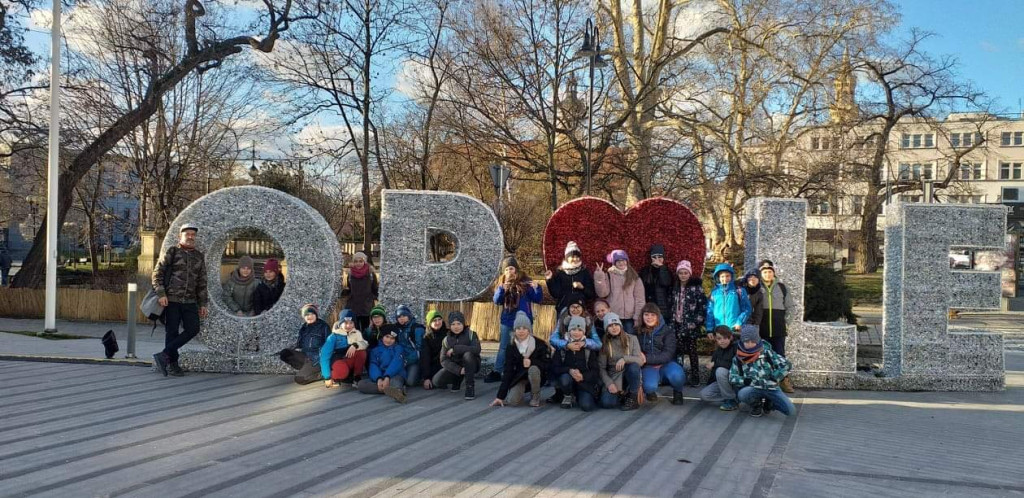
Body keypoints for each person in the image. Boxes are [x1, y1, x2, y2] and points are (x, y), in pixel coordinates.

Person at [152, 224, 208, 377]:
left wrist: (203, 303)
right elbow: (157, 273)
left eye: (193, 234)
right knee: (172, 332)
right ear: (180, 236)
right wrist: (161, 294)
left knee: (193, 329)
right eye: (187, 234)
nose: (190, 237)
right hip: (172, 300)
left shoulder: (198, 256)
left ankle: (164, 355)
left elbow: (202, 282)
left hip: (190, 301)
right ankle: (173, 364)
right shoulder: (172, 252)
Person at [486, 256, 543, 383]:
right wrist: (502, 289)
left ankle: (525, 372)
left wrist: (537, 288)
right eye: (506, 269)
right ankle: (497, 371)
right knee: (504, 347)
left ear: (516, 269)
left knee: (526, 347)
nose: (509, 271)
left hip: (524, 321)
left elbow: (538, 299)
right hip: (508, 320)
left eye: (511, 268)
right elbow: (497, 301)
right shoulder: (502, 284)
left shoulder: (526, 283)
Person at [546, 296, 601, 405]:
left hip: (584, 354)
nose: (575, 309)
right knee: (559, 369)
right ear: (568, 308)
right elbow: (553, 339)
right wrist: (567, 344)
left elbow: (598, 344)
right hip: (566, 353)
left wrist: (585, 343)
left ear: (583, 308)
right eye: (572, 307)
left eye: (578, 307)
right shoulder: (563, 318)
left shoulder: (588, 320)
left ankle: (580, 391)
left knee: (587, 405)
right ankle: (562, 392)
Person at [730, 325, 794, 417]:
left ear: (757, 340)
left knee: (791, 411)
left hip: (771, 387)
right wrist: (745, 381)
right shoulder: (738, 358)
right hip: (753, 387)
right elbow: (732, 377)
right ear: (742, 341)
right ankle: (756, 405)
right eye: (746, 341)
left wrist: (775, 377)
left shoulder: (767, 352)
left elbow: (787, 365)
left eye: (753, 341)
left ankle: (770, 403)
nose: (750, 344)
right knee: (742, 394)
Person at [490, 311, 550, 408]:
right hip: (519, 377)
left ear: (529, 330)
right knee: (512, 402)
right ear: (514, 330)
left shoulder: (540, 344)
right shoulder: (511, 346)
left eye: (524, 328)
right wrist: (500, 396)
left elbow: (547, 364)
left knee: (533, 369)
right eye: (518, 328)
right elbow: (508, 370)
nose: (521, 331)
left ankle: (535, 396)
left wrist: (532, 362)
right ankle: (520, 391)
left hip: (537, 376)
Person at [636, 303, 686, 405]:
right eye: (646, 315)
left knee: (678, 376)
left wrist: (646, 358)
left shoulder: (667, 331)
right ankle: (650, 392)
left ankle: (678, 391)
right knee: (649, 386)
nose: (649, 318)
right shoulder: (638, 331)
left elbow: (668, 354)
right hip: (648, 366)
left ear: (658, 316)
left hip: (666, 364)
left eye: (652, 315)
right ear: (642, 316)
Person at [758, 259, 796, 393]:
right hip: (761, 329)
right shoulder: (757, 287)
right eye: (764, 272)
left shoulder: (782, 287)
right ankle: (765, 382)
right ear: (760, 273)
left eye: (770, 272)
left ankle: (784, 381)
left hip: (778, 328)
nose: (767, 274)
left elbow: (790, 307)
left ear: (773, 273)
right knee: (762, 356)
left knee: (780, 356)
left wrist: (787, 322)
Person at [668, 260, 707, 387]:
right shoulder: (674, 287)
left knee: (692, 351)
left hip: (691, 325)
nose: (683, 275)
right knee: (678, 350)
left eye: (685, 273)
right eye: (681, 273)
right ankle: (679, 375)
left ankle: (695, 375)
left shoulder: (696, 288)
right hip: (676, 324)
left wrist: (697, 322)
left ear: (689, 274)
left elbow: (702, 306)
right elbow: (671, 304)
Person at [597, 312, 644, 411]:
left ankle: (633, 396)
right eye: (610, 326)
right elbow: (601, 368)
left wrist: (625, 359)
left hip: (629, 373)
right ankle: (622, 395)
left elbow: (640, 360)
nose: (614, 328)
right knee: (607, 403)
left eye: (616, 324)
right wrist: (609, 383)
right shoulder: (605, 343)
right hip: (614, 375)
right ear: (606, 329)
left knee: (634, 366)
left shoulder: (632, 339)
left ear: (620, 326)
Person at [593, 250, 646, 335]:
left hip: (630, 318)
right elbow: (602, 294)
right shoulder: (609, 275)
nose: (621, 263)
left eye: (623, 260)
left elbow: (640, 300)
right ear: (614, 263)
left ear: (627, 261)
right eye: (618, 261)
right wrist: (599, 277)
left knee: (630, 340)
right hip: (613, 317)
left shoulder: (635, 277)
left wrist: (637, 317)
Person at [433, 311, 481, 400]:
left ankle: (470, 386)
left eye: (459, 324)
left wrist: (455, 349)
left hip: (471, 364)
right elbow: (443, 360)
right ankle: (457, 380)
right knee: (436, 381)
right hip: (456, 366)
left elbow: (477, 349)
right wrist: (458, 370)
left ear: (463, 323)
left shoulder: (471, 334)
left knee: (468, 355)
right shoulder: (446, 339)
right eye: (453, 324)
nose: (456, 327)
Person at [278, 303, 330, 384]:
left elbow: (329, 344)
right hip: (305, 356)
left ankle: (320, 374)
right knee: (285, 353)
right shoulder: (304, 327)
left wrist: (321, 358)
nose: (309, 317)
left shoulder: (323, 327)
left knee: (300, 379)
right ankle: (307, 370)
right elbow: (299, 344)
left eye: (312, 314)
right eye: (306, 315)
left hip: (317, 360)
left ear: (316, 315)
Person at [320, 309, 370, 388]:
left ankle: (356, 377)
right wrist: (327, 377)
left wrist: (355, 345)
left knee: (361, 352)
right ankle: (333, 376)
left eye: (351, 323)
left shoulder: (356, 333)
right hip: (338, 360)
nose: (348, 325)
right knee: (342, 372)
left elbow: (365, 344)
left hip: (349, 359)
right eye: (345, 323)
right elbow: (324, 355)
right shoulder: (334, 336)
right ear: (340, 323)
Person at [544, 241, 596, 313]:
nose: (575, 259)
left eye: (577, 257)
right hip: (563, 308)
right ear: (567, 258)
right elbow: (555, 294)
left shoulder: (584, 272)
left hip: (579, 309)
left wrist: (582, 287)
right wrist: (550, 279)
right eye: (572, 257)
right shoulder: (560, 272)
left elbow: (591, 294)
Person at [357, 330, 408, 403]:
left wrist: (387, 376)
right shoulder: (375, 350)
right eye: (387, 337)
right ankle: (391, 390)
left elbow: (396, 363)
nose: (389, 340)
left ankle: (398, 392)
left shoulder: (398, 348)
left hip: (395, 374)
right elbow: (373, 365)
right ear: (382, 337)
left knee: (395, 381)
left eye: (392, 338)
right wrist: (378, 378)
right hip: (381, 375)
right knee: (361, 384)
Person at [705, 263, 751, 337]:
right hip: (719, 330)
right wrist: (709, 329)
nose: (725, 279)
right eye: (722, 276)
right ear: (718, 278)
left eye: (727, 276)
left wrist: (739, 322)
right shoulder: (714, 293)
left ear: (731, 276)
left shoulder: (739, 290)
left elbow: (746, 309)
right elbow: (710, 312)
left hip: (734, 329)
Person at [699, 325, 739, 410]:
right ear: (715, 339)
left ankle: (730, 400)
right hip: (722, 382)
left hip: (735, 380)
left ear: (731, 337)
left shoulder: (736, 347)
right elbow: (713, 373)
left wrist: (715, 364)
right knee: (704, 395)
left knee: (720, 371)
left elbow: (736, 366)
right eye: (719, 339)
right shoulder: (717, 351)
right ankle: (735, 397)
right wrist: (709, 385)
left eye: (725, 338)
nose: (722, 341)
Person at [342, 252, 378, 332]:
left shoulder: (370, 274)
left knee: (366, 330)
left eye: (360, 261)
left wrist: (373, 297)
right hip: (353, 306)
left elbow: (374, 288)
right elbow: (350, 288)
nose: (358, 263)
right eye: (356, 261)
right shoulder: (350, 274)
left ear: (364, 261)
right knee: (354, 330)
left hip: (366, 306)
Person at [393, 305, 425, 386]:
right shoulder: (396, 329)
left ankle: (420, 376)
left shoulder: (417, 329)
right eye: (399, 317)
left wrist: (407, 360)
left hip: (414, 361)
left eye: (404, 315)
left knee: (410, 382)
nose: (401, 318)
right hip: (401, 360)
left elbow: (420, 349)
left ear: (409, 316)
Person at [639, 244, 673, 315]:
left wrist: (661, 267)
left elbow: (666, 282)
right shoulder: (645, 271)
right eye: (654, 257)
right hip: (650, 307)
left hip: (663, 308)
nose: (657, 259)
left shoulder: (667, 270)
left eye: (660, 257)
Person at [419, 310, 448, 389]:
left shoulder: (448, 334)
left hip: (448, 364)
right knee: (435, 382)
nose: (437, 322)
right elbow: (425, 358)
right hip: (434, 366)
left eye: (439, 319)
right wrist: (426, 377)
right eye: (434, 320)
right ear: (429, 323)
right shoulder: (426, 338)